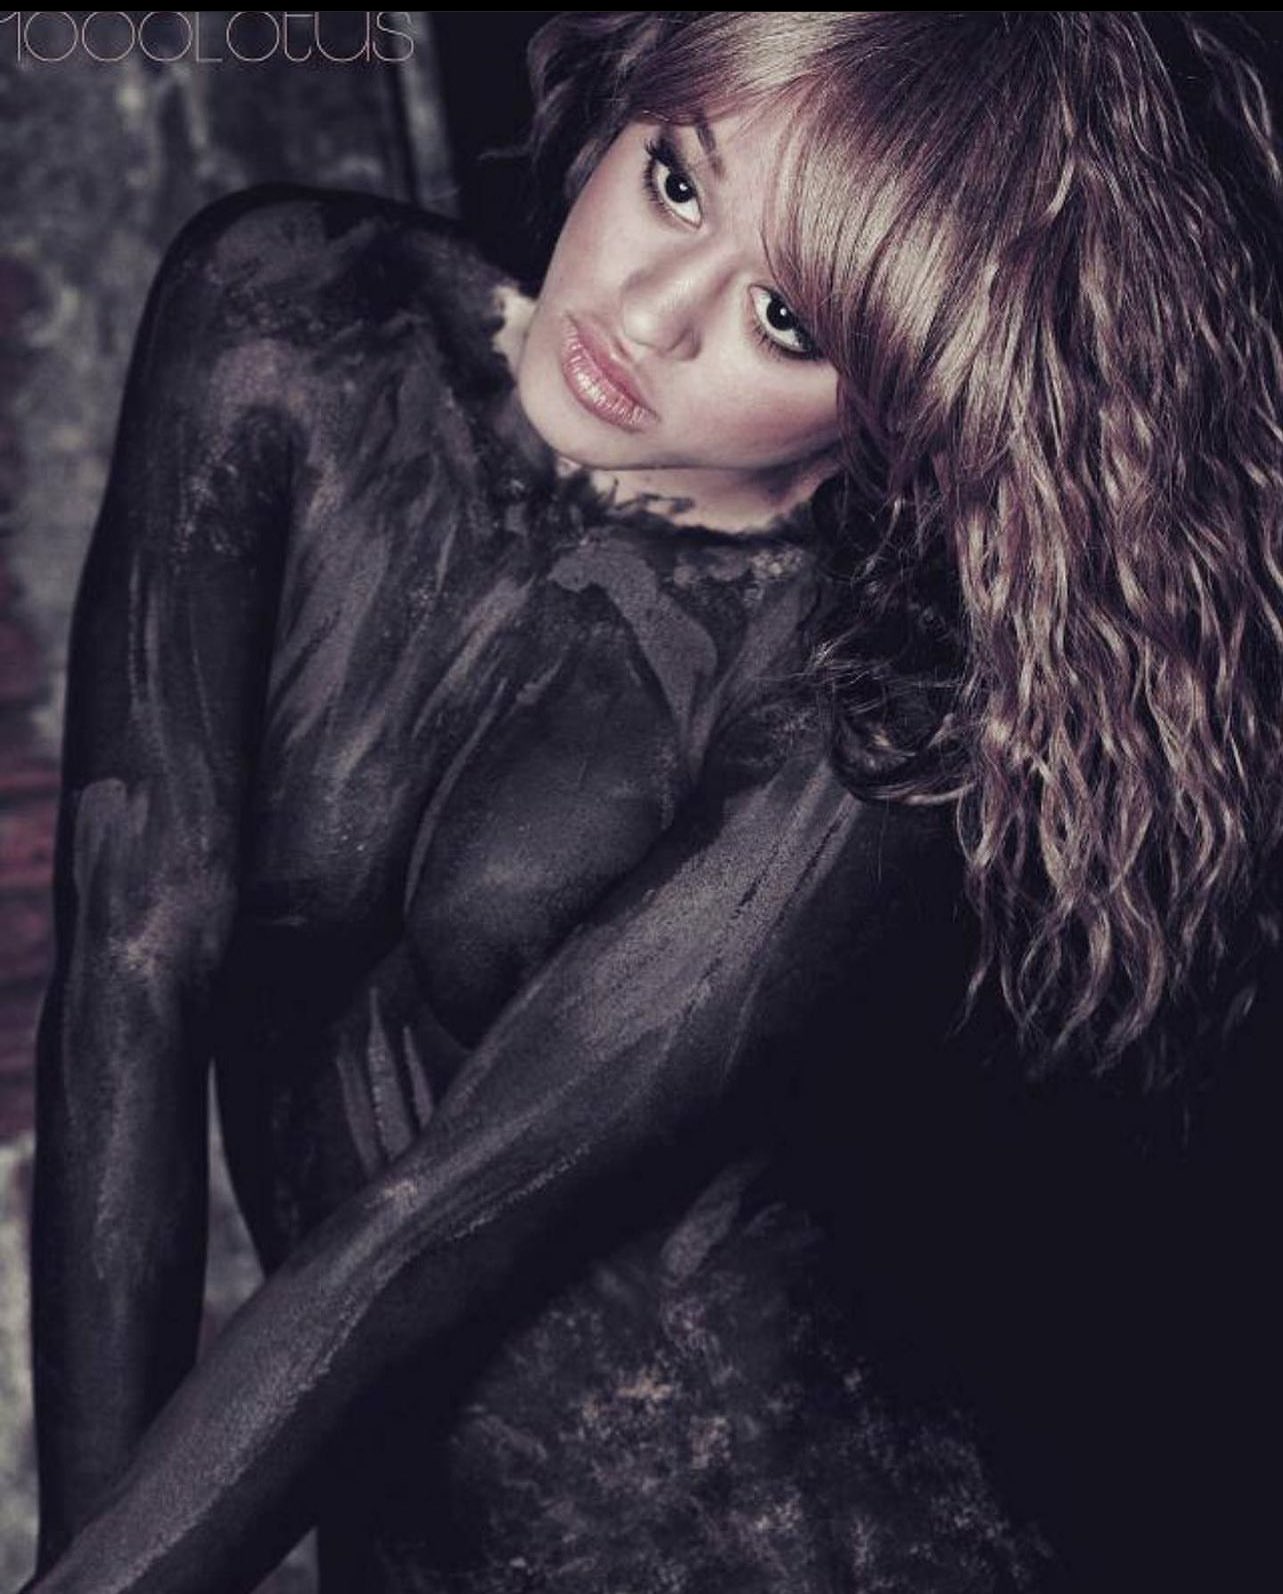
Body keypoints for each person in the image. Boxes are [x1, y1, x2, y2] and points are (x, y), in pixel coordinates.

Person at [22, 11, 1283, 1594]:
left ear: (906, 403)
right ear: (634, 96)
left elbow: (433, 1221)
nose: (651, 311)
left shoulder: (870, 725)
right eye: (677, 181)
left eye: (784, 320)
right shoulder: (289, 322)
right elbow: (131, 965)